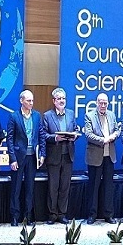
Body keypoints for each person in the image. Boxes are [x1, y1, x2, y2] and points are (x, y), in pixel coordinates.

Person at [7, 89, 46, 226]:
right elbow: (9, 139)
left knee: (30, 188)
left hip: (32, 157)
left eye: (32, 100)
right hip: (18, 157)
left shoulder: (37, 116)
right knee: (16, 188)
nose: (31, 103)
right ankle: (14, 216)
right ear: (21, 101)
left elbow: (41, 136)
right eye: (28, 100)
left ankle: (28, 216)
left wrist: (42, 154)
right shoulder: (14, 116)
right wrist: (12, 159)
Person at [43, 88, 78, 225]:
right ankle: (52, 214)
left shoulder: (70, 113)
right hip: (54, 156)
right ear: (54, 101)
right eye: (59, 98)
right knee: (53, 187)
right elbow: (44, 135)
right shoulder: (47, 115)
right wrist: (55, 138)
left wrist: (75, 136)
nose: (62, 101)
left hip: (68, 155)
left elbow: (75, 129)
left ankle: (62, 214)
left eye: (63, 98)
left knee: (65, 186)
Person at [85, 92, 120, 225]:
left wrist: (114, 135)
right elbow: (88, 134)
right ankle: (92, 215)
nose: (103, 105)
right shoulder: (89, 116)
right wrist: (103, 140)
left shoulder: (111, 115)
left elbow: (117, 130)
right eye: (101, 103)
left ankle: (108, 214)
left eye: (105, 103)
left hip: (109, 156)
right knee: (93, 187)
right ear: (97, 103)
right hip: (95, 156)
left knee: (108, 186)